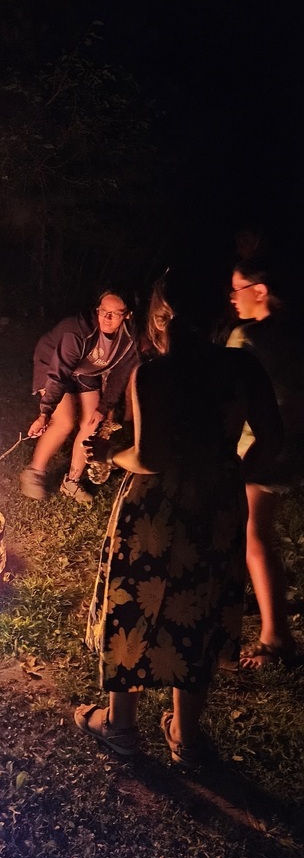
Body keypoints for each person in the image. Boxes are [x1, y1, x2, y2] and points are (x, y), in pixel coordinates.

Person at [75, 278, 283, 768]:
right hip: (216, 507)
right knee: (199, 608)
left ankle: (121, 726)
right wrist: (232, 473)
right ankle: (186, 737)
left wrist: (109, 452)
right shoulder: (242, 368)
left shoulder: (153, 374)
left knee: (135, 608)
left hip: (155, 510)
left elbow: (150, 457)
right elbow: (273, 439)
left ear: (159, 319)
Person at [226, 259, 304, 668]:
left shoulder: (248, 336)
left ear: (260, 289)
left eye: (238, 289)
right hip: (290, 445)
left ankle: (276, 638)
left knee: (254, 535)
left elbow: (229, 392)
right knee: (255, 532)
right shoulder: (295, 331)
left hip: (255, 447)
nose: (232, 298)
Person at [20, 291, 139, 505]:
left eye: (114, 313)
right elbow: (59, 373)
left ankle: (71, 481)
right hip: (52, 361)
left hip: (87, 370)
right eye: (103, 311)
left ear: (127, 315)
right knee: (64, 421)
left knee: (92, 422)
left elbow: (120, 375)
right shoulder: (77, 331)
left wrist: (104, 407)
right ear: (97, 310)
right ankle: (34, 472)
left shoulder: (130, 340)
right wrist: (45, 412)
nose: (107, 318)